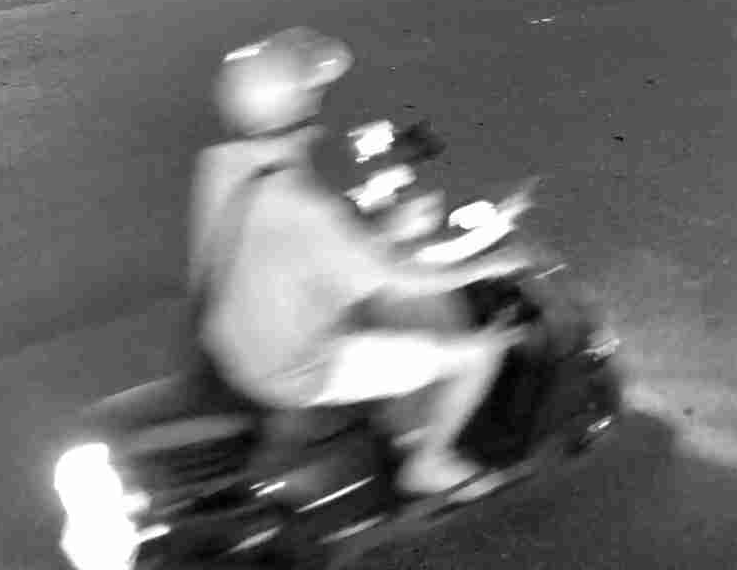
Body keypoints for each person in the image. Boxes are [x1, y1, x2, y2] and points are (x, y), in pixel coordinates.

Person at [188, 28, 530, 500]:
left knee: (384, 314)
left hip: (231, 341)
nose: (319, 104)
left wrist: (383, 228)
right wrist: (488, 266)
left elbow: (290, 246)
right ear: (298, 109)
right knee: (480, 353)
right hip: (294, 369)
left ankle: (398, 417)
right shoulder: (305, 209)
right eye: (314, 94)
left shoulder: (221, 168)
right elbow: (400, 281)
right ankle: (427, 462)